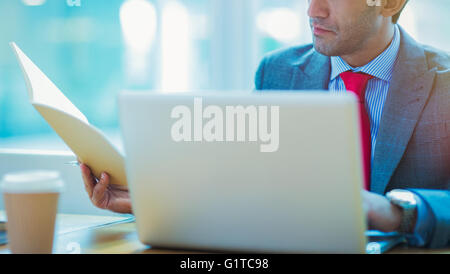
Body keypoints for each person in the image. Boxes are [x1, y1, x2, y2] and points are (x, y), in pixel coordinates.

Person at [80, 0, 450, 248]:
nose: (313, 10)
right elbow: (247, 188)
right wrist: (154, 201)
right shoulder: (277, 72)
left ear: (389, 3)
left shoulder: (444, 83)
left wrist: (395, 211)